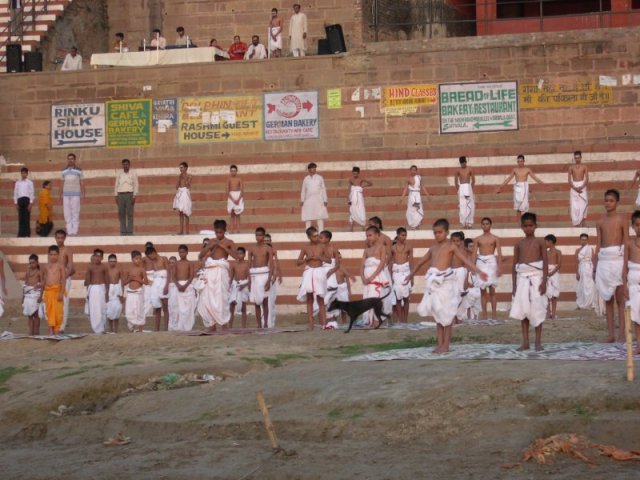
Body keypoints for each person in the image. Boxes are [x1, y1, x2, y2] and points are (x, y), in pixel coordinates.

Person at [405, 219, 487, 353]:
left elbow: (465, 260)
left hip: (447, 284)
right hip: (435, 285)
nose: (437, 235)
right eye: (435, 233)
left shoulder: (451, 246)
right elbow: (420, 262)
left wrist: (479, 271)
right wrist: (410, 275)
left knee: (447, 315)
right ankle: (439, 344)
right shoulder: (433, 248)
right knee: (438, 315)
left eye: (440, 232)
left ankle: (446, 345)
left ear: (446, 232)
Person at [510, 212, 548, 351]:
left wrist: (544, 282)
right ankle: (525, 342)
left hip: (537, 278)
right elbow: (514, 266)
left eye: (530, 225)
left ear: (535, 226)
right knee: (524, 310)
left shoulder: (541, 242)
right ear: (521, 227)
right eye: (525, 226)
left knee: (537, 309)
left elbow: (545, 263)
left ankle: (538, 341)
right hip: (522, 279)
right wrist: (514, 285)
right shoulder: (518, 244)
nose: (528, 228)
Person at [595, 189, 627, 342]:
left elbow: (626, 242)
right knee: (608, 299)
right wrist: (595, 265)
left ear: (617, 202)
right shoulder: (600, 221)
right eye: (606, 200)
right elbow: (598, 243)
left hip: (618, 260)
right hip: (604, 261)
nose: (608, 203)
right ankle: (610, 334)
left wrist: (626, 265)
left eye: (611, 200)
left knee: (620, 298)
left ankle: (622, 333)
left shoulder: (622, 219)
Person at [197, 220, 239, 331]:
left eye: (220, 232)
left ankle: (224, 323)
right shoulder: (211, 241)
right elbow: (200, 256)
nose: (218, 235)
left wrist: (224, 247)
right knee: (209, 297)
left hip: (222, 271)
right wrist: (210, 246)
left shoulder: (229, 242)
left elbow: (236, 257)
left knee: (222, 297)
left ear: (224, 231)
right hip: (210, 271)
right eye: (216, 232)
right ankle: (212, 324)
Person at [296, 226, 329, 330]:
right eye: (314, 236)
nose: (317, 237)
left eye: (317, 235)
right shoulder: (305, 247)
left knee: (320, 298)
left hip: (319, 271)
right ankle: (310, 323)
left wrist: (320, 258)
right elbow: (298, 262)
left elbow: (329, 260)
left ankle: (324, 323)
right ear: (309, 237)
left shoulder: (322, 246)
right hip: (309, 271)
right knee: (309, 298)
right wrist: (307, 259)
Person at [361, 226, 393, 326]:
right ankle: (370, 320)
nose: (368, 237)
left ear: (377, 235)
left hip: (378, 277)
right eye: (367, 236)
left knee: (378, 298)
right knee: (368, 298)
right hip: (367, 280)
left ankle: (378, 319)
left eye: (370, 235)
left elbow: (382, 264)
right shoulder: (366, 250)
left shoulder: (382, 248)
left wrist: (372, 276)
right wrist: (363, 277)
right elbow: (362, 265)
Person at [473, 217, 503, 320]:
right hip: (481, 262)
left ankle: (494, 315)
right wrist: (473, 267)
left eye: (487, 224)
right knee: (482, 290)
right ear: (481, 225)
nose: (485, 225)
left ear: (490, 225)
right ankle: (485, 315)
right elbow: (474, 254)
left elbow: (499, 254)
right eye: (483, 224)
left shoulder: (495, 238)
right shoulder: (477, 239)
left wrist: (499, 267)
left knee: (492, 290)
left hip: (491, 262)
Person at [248, 227, 274, 328]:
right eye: (256, 235)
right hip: (254, 275)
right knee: (256, 302)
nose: (258, 237)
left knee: (265, 301)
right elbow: (249, 264)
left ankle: (266, 324)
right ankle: (259, 325)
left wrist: (269, 280)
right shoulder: (252, 248)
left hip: (264, 274)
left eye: (260, 235)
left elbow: (271, 264)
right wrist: (249, 279)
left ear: (263, 236)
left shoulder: (268, 248)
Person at [168, 245, 196, 332]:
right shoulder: (176, 263)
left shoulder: (190, 263)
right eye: (180, 252)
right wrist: (178, 285)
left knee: (188, 308)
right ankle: (180, 326)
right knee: (178, 307)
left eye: (183, 252)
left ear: (187, 253)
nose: (181, 254)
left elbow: (191, 276)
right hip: (178, 286)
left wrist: (185, 285)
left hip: (187, 286)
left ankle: (188, 327)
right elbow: (173, 276)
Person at [624, 210, 640, 354]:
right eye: (637, 225)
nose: (639, 228)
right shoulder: (629, 244)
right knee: (636, 315)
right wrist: (624, 285)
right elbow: (625, 266)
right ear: (633, 226)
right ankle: (639, 344)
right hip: (633, 283)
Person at [42, 245, 66, 335]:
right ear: (48, 255)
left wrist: (61, 292)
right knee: (49, 313)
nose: (53, 256)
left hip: (57, 292)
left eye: (55, 254)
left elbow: (63, 280)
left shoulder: (61, 266)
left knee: (58, 314)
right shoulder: (45, 266)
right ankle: (51, 331)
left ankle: (57, 331)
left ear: (58, 255)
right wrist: (40, 286)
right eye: (51, 254)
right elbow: (44, 279)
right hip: (48, 293)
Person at [54, 229, 75, 333]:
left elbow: (71, 267)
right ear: (55, 238)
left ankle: (61, 327)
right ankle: (55, 325)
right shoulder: (53, 251)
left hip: (65, 279)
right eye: (58, 238)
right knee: (54, 301)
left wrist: (63, 278)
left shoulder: (67, 250)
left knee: (64, 302)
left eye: (62, 238)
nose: (60, 240)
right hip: (53, 280)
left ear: (65, 238)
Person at [391, 227, 412, 324]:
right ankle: (400, 319)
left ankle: (405, 319)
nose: (404, 237)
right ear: (398, 235)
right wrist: (390, 276)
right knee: (398, 298)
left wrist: (412, 276)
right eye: (402, 235)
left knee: (406, 298)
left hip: (406, 273)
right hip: (396, 273)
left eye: (405, 235)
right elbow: (390, 262)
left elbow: (411, 262)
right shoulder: (392, 248)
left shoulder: (409, 247)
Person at [124, 251, 149, 332]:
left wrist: (138, 279)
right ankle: (132, 328)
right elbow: (124, 282)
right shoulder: (128, 270)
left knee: (140, 310)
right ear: (132, 259)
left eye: (139, 259)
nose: (138, 260)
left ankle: (140, 329)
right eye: (136, 259)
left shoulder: (142, 270)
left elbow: (146, 282)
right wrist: (130, 279)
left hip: (138, 293)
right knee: (129, 311)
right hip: (130, 293)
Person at [146, 247, 170, 331]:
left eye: (150, 256)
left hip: (164, 281)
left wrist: (167, 285)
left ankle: (166, 328)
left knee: (165, 305)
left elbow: (169, 272)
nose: (150, 258)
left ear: (153, 253)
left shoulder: (164, 259)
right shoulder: (152, 262)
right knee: (157, 306)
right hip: (156, 283)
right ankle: (157, 329)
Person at [85, 250, 108, 334]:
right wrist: (87, 293)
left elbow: (107, 280)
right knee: (94, 309)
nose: (98, 258)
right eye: (96, 256)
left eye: (99, 256)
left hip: (102, 288)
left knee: (102, 308)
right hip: (93, 289)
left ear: (102, 257)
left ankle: (102, 328)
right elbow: (88, 281)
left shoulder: (104, 267)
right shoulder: (90, 267)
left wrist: (107, 293)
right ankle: (96, 329)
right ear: (94, 257)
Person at [60, 153, 84, 236]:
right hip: (65, 195)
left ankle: (75, 231)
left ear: (75, 160)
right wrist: (60, 194)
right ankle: (69, 231)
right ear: (67, 160)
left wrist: (83, 193)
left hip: (76, 194)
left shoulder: (79, 170)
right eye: (69, 159)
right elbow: (61, 183)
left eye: (72, 159)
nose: (70, 160)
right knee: (67, 213)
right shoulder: (63, 170)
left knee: (75, 212)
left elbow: (82, 182)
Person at [300, 162, 328, 231]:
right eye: (312, 168)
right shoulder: (306, 179)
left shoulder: (320, 178)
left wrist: (325, 200)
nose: (314, 169)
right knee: (308, 217)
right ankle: (308, 231)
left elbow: (323, 189)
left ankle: (321, 231)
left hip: (318, 200)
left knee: (319, 216)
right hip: (308, 200)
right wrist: (302, 200)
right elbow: (303, 190)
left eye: (315, 168)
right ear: (309, 169)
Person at [399, 165, 428, 230]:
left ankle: (417, 225)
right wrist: (402, 198)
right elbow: (405, 189)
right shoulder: (408, 179)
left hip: (417, 196)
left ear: (416, 171)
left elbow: (423, 187)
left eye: (415, 170)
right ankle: (412, 225)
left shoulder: (419, 178)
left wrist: (428, 195)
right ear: (410, 171)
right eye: (412, 170)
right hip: (412, 196)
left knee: (417, 210)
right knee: (411, 210)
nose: (413, 171)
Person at [115, 159, 138, 236]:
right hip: (121, 195)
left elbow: (136, 185)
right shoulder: (119, 173)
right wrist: (116, 195)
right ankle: (123, 231)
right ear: (122, 165)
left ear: (129, 165)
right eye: (124, 164)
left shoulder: (133, 173)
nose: (125, 166)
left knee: (130, 214)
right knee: (121, 214)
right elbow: (116, 184)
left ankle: (130, 232)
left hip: (130, 194)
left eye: (127, 164)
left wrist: (134, 196)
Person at [264, 233, 283, 328]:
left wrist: (279, 274)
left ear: (271, 241)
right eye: (265, 240)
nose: (267, 242)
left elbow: (276, 263)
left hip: (272, 278)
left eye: (268, 240)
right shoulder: (260, 250)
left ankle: (271, 323)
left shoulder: (273, 251)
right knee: (263, 300)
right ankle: (264, 322)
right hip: (262, 277)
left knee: (271, 301)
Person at [229, 247, 250, 328]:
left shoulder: (247, 264)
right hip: (235, 285)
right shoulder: (234, 264)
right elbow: (231, 276)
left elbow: (249, 278)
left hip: (244, 285)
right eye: (238, 254)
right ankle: (230, 325)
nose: (239, 255)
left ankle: (243, 327)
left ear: (244, 254)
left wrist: (243, 285)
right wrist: (230, 284)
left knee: (243, 307)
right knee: (232, 305)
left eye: (241, 253)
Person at [23, 254, 43, 336]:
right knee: (30, 315)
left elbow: (42, 284)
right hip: (28, 295)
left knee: (36, 315)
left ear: (37, 263)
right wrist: (23, 297)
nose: (32, 264)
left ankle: (36, 333)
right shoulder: (27, 272)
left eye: (33, 263)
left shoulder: (39, 272)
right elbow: (25, 285)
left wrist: (41, 296)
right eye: (30, 263)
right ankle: (31, 333)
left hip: (36, 295)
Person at [575, 233, 596, 310]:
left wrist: (594, 271)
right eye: (582, 239)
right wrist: (576, 272)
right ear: (580, 240)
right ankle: (581, 304)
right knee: (581, 287)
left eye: (585, 239)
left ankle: (590, 304)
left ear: (587, 240)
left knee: (590, 286)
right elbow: (576, 262)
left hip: (589, 269)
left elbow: (593, 260)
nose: (583, 241)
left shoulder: (590, 249)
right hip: (581, 269)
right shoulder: (577, 250)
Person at [568, 151, 589, 227]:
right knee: (574, 206)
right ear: (574, 158)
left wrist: (582, 187)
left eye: (578, 157)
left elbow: (587, 179)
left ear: (581, 157)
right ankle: (576, 224)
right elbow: (569, 180)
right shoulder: (571, 167)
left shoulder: (584, 167)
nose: (577, 159)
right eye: (575, 158)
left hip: (582, 186)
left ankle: (583, 223)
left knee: (584, 204)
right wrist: (575, 188)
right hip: (574, 187)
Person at [348, 166, 372, 231]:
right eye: (353, 173)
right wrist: (348, 199)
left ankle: (363, 226)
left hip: (359, 197)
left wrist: (363, 186)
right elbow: (349, 189)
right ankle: (351, 228)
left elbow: (370, 183)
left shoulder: (361, 179)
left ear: (358, 173)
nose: (355, 175)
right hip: (353, 197)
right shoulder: (351, 179)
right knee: (352, 211)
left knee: (361, 210)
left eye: (356, 174)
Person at [450, 231, 467, 324]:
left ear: (460, 241)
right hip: (451, 273)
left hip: (460, 272)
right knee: (452, 295)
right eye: (453, 241)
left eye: (457, 241)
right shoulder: (448, 251)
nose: (456, 243)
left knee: (459, 296)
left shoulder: (463, 252)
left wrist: (466, 281)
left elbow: (465, 266)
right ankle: (452, 316)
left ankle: (458, 316)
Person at [454, 156, 475, 229]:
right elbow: (456, 182)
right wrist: (458, 190)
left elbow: (473, 180)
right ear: (460, 163)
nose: (463, 164)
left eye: (464, 163)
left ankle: (470, 222)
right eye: (461, 163)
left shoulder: (470, 169)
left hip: (468, 187)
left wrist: (470, 189)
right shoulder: (458, 170)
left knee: (470, 205)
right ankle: (464, 223)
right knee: (462, 206)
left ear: (466, 162)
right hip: (461, 187)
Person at [545, 234, 562, 320]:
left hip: (554, 274)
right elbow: (544, 264)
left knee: (554, 295)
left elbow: (559, 265)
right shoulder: (546, 252)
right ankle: (548, 313)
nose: (545, 243)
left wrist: (552, 273)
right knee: (548, 294)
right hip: (547, 273)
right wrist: (546, 273)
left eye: (546, 241)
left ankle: (554, 313)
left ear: (551, 242)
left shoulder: (558, 252)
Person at [14, 167, 34, 237]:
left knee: (26, 217)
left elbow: (31, 192)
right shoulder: (17, 182)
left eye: (24, 173)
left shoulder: (30, 182)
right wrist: (15, 202)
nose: (23, 174)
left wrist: (31, 203)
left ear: (27, 174)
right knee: (21, 217)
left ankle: (27, 234)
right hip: (20, 200)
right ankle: (21, 234)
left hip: (26, 200)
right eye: (22, 173)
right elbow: (15, 192)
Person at [173, 162, 192, 235]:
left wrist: (185, 178)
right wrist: (179, 179)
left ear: (186, 168)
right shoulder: (178, 176)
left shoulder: (189, 176)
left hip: (185, 194)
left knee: (186, 213)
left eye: (182, 167)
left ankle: (187, 231)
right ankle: (181, 231)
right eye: (180, 168)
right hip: (180, 194)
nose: (180, 169)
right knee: (180, 213)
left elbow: (188, 186)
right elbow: (176, 187)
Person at [106, 254, 123, 333]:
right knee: (109, 311)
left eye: (114, 261)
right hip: (108, 290)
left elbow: (122, 282)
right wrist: (105, 294)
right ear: (108, 262)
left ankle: (116, 330)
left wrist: (122, 294)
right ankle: (110, 330)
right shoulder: (106, 270)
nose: (112, 263)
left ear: (116, 262)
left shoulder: (119, 270)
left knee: (117, 310)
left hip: (116, 289)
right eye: (111, 261)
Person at [227, 165, 244, 233]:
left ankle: (238, 230)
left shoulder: (239, 179)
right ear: (230, 171)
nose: (233, 172)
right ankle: (231, 230)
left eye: (234, 171)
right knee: (232, 214)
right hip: (231, 196)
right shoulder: (228, 179)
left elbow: (242, 189)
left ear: (236, 171)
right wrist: (233, 199)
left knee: (238, 214)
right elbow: (227, 190)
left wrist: (239, 199)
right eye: (232, 171)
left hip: (238, 195)